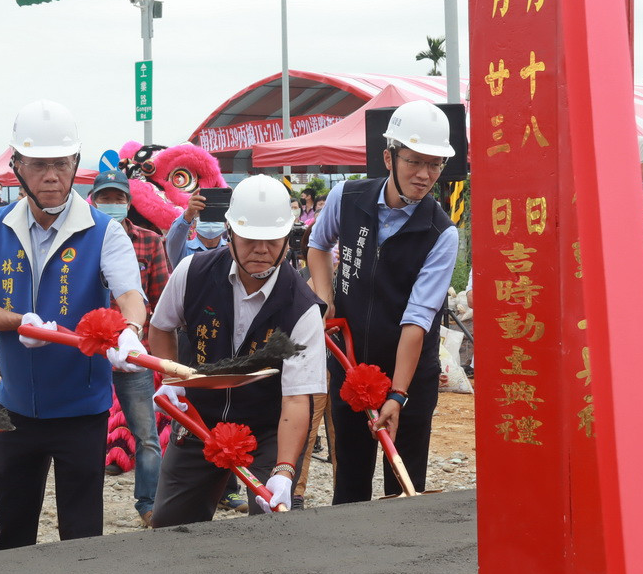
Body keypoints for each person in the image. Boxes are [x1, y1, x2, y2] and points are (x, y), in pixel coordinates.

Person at [0, 99, 146, 550]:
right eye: (39, 165)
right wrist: (18, 321)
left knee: (81, 535)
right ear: (17, 165)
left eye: (61, 164)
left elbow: (129, 296)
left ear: (75, 163)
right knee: (12, 530)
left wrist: (131, 331)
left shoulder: (103, 231)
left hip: (82, 409)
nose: (52, 176)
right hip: (14, 407)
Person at [148, 175, 326, 526]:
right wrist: (172, 378)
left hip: (267, 427)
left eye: (272, 240)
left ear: (287, 237)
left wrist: (285, 471)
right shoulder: (194, 273)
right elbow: (160, 326)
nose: (261, 250)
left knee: (272, 523)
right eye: (250, 238)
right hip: (198, 418)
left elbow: (296, 398)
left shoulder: (301, 306)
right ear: (229, 231)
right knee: (171, 526)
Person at [307, 100, 459, 502]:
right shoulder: (346, 197)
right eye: (415, 162)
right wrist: (325, 299)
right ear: (389, 157)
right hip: (350, 363)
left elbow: (417, 320)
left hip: (409, 375)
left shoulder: (441, 233)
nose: (425, 175)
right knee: (351, 485)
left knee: (404, 492)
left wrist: (398, 395)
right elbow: (317, 246)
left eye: (436, 164)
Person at [161, 187, 249, 513]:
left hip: (226, 338)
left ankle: (230, 485)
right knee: (188, 404)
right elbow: (170, 244)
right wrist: (187, 216)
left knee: (228, 405)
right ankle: (186, 476)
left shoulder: (236, 249)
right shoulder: (185, 248)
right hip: (189, 337)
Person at [89, 169, 169, 526]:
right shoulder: (82, 240)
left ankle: (148, 503)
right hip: (88, 354)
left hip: (134, 354)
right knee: (85, 434)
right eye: (104, 198)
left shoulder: (150, 242)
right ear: (93, 200)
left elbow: (161, 298)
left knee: (146, 434)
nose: (111, 205)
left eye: (117, 199)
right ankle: (85, 508)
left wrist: (150, 347)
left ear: (128, 202)